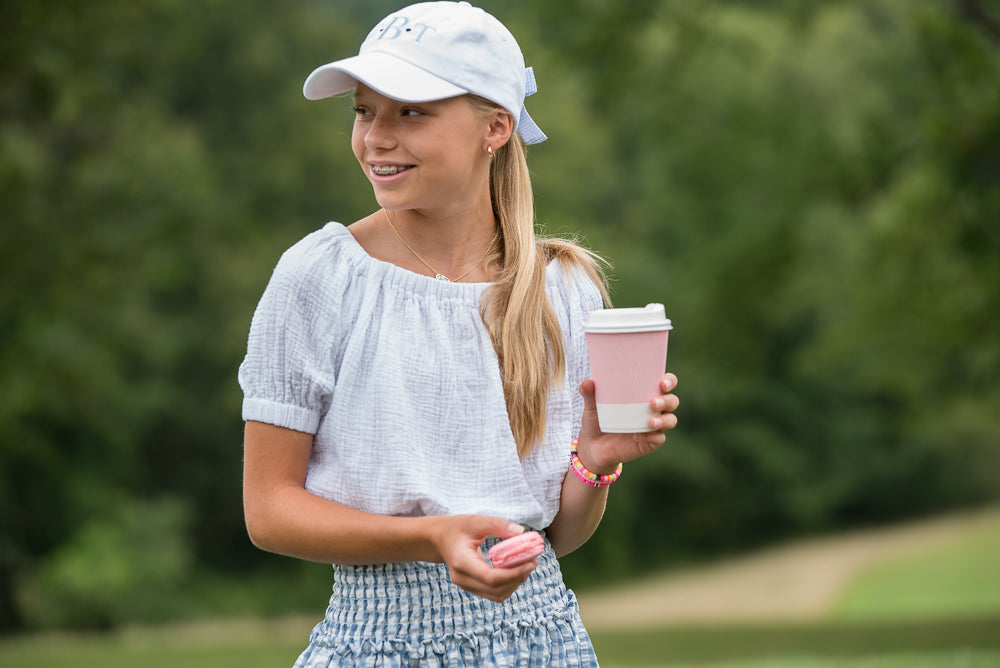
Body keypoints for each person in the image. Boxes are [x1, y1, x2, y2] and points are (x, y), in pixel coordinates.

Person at [238, 2, 680, 665]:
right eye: (364, 111)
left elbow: (558, 536)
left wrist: (595, 457)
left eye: (410, 111)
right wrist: (433, 537)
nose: (376, 136)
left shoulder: (564, 290)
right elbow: (269, 510)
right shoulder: (321, 277)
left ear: (495, 127)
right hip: (376, 644)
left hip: (546, 640)